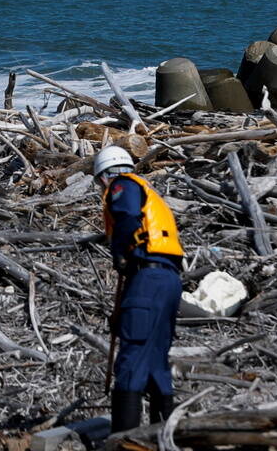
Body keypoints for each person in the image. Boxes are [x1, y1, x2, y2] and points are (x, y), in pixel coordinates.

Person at [94, 146, 184, 433]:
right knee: (157, 359)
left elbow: (128, 216)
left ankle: (122, 439)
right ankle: (162, 434)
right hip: (168, 279)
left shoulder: (123, 184)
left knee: (132, 355)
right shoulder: (150, 192)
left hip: (148, 279)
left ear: (105, 176)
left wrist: (119, 254)